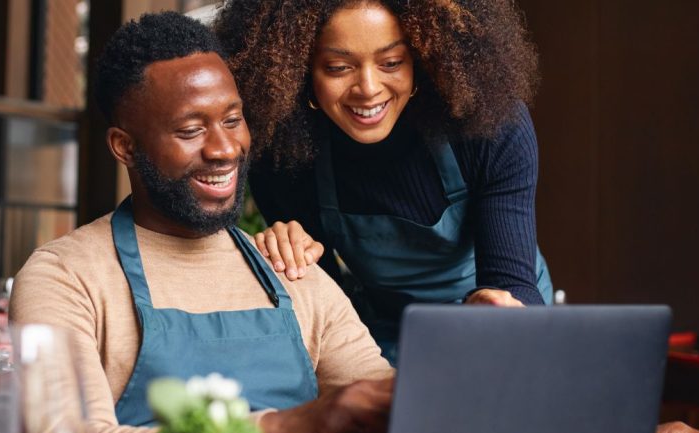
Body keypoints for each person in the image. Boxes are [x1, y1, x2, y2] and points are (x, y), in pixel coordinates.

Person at [10, 12, 394, 433]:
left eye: (232, 120)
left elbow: (387, 407)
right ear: (125, 147)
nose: (225, 149)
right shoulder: (65, 277)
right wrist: (277, 431)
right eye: (191, 130)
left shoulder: (291, 268)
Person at [214, 0, 553, 363]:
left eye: (391, 63)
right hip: (388, 329)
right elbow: (326, 304)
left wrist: (500, 304)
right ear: (301, 69)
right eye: (338, 67)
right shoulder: (284, 154)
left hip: (499, 315)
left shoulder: (489, 127)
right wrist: (289, 257)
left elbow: (513, 282)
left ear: (422, 59)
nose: (369, 88)